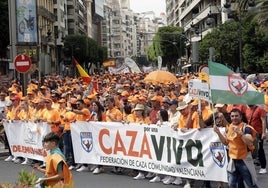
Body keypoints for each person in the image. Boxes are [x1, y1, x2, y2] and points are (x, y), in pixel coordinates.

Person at [214, 109, 259, 188]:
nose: (234, 118)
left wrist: (241, 133)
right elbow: (225, 142)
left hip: (244, 161)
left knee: (251, 184)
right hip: (233, 161)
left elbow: (249, 142)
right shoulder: (230, 127)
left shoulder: (246, 128)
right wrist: (218, 133)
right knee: (232, 184)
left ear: (241, 117)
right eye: (232, 116)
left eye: (236, 116)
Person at [245, 104, 267, 174]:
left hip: (258, 133)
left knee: (260, 149)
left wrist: (263, 133)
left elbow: (263, 121)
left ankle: (263, 167)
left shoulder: (260, 109)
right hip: (250, 133)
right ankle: (251, 166)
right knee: (249, 149)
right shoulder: (247, 109)